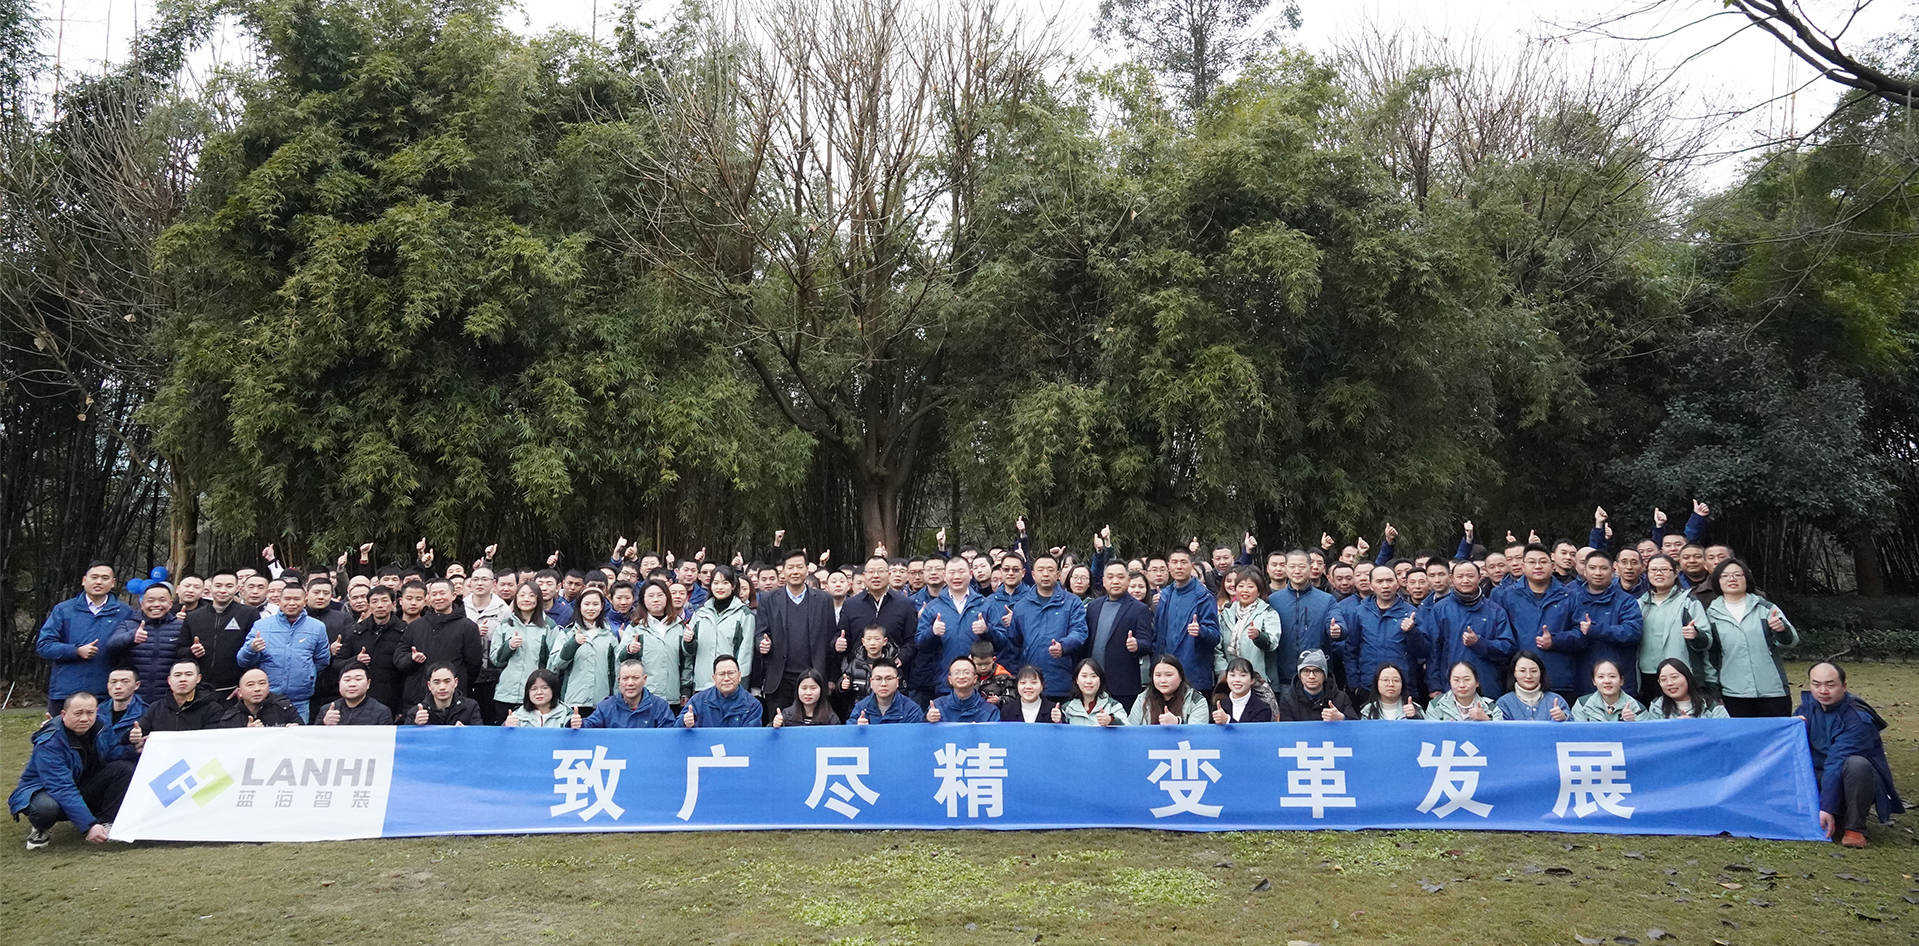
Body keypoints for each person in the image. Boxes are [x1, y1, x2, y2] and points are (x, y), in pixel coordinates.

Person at [1796, 662, 1905, 848]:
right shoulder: (1806, 709)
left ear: (1844, 686)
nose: (1823, 691)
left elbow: (1836, 762)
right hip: (1818, 775)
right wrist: (1794, 729)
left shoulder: (1858, 718)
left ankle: (1855, 829)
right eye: (1816, 684)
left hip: (1850, 779)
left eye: (1830, 685)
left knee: (1857, 765)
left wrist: (1827, 807)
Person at [9, 693, 133, 849]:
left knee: (123, 769)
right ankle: (40, 827)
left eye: (90, 713)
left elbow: (113, 752)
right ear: (63, 714)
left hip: (82, 783)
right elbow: (62, 788)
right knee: (46, 808)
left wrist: (137, 749)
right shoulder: (50, 741)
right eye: (78, 713)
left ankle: (106, 823)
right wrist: (88, 826)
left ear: (96, 712)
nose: (85, 718)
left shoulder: (101, 725)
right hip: (44, 790)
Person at [1700, 558, 1798, 717]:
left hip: (1772, 690)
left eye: (1737, 575)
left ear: (1747, 578)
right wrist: (1714, 689)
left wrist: (1781, 630)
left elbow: (1791, 641)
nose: (1732, 579)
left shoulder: (1765, 608)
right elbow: (1710, 656)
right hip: (1733, 692)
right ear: (1717, 581)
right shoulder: (1710, 615)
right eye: (1725, 576)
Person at [35, 562, 134, 716]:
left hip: (107, 691)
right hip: (66, 690)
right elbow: (44, 645)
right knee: (61, 731)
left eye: (105, 578)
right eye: (94, 577)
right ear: (84, 580)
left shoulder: (124, 612)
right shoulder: (64, 610)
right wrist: (76, 650)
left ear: (113, 583)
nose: (99, 582)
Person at [755, 550, 839, 720]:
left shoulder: (823, 599)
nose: (795, 572)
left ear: (807, 569)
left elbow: (831, 638)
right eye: (790, 567)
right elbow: (760, 633)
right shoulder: (768, 599)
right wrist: (762, 643)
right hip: (780, 679)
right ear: (783, 571)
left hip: (813, 678)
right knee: (779, 726)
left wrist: (832, 677)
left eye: (799, 567)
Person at [1494, 544, 1579, 703]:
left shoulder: (1569, 596)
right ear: (1523, 566)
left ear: (1552, 566)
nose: (1538, 566)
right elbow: (1500, 637)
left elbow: (1582, 634)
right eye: (1532, 562)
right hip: (1519, 679)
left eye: (1543, 562)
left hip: (1558, 678)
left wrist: (1555, 640)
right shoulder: (1506, 596)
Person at [236, 582, 332, 722]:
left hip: (300, 699)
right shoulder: (262, 625)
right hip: (267, 699)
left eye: (296, 599)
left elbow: (322, 660)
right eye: (287, 599)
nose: (291, 603)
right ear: (279, 601)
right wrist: (251, 649)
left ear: (305, 601)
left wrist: (306, 673)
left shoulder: (317, 627)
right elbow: (242, 661)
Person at [913, 556, 1003, 704]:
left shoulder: (985, 604)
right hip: (944, 682)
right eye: (952, 572)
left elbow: (1003, 641)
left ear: (971, 574)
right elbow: (919, 643)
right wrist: (932, 632)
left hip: (981, 684)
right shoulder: (933, 607)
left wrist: (987, 630)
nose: (956, 576)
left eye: (961, 572)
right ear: (945, 576)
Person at [1422, 561, 1516, 701]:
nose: (1465, 580)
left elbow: (1508, 647)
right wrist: (1434, 685)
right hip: (1451, 684)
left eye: (1470, 576)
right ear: (1452, 579)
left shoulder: (1495, 611)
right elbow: (1433, 651)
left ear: (1480, 577)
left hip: (1487, 683)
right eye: (1460, 576)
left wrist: (1480, 643)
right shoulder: (1440, 609)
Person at [1005, 554, 1088, 701]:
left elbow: (1079, 631)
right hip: (1030, 684)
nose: (1045, 574)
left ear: (1058, 574)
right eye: (1041, 570)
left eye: (1050, 570)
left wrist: (1063, 646)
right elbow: (1013, 644)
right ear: (1033, 574)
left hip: (1062, 682)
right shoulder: (1021, 606)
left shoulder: (1072, 602)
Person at [394, 578, 483, 709]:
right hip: (418, 697)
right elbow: (399, 658)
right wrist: (411, 659)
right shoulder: (415, 626)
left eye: (442, 593)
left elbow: (474, 665)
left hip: (453, 699)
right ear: (428, 598)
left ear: (453, 596)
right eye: (434, 594)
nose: (438, 598)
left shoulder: (468, 627)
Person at [1343, 564, 1423, 707]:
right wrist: (1354, 684)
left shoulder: (1411, 612)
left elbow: (1422, 652)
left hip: (1402, 685)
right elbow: (1351, 650)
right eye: (1379, 581)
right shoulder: (1359, 612)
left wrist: (1412, 632)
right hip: (1368, 685)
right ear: (1371, 585)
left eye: (1389, 580)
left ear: (1397, 584)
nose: (1385, 586)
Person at [1568, 551, 1644, 698]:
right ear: (1584, 571)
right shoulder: (1572, 598)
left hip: (1619, 677)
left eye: (1603, 568)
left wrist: (1595, 630)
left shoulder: (1626, 601)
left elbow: (1633, 632)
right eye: (1592, 568)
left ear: (1613, 571)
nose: (1598, 573)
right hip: (1582, 676)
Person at [1635, 553, 1709, 696]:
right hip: (1647, 673)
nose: (1658, 573)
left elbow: (1707, 640)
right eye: (1653, 570)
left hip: (1680, 673)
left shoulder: (1688, 602)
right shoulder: (1640, 604)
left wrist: (1696, 635)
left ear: (1675, 573)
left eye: (1664, 569)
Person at [1151, 549, 1221, 694]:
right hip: (1166, 673)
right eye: (1174, 562)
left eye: (1183, 562)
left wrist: (1200, 630)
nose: (1179, 566)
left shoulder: (1204, 596)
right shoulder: (1165, 595)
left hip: (1194, 674)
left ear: (1191, 565)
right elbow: (1157, 635)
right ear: (1169, 566)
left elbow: (1215, 636)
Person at [178, 571, 258, 697]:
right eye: (218, 586)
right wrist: (191, 651)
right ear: (210, 588)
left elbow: (253, 653)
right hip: (199, 688)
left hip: (234, 688)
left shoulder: (249, 614)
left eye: (229, 586)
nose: (223, 590)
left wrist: (244, 685)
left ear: (237, 588)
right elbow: (180, 650)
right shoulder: (194, 616)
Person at [1084, 562, 1151, 710]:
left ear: (1128, 580)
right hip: (1093, 682)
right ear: (1103, 581)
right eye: (1110, 577)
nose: (1115, 581)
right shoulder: (1094, 607)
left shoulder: (1139, 609)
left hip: (1123, 684)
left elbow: (1147, 643)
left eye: (1120, 577)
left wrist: (1137, 645)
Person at [109, 582, 187, 706]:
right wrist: (132, 637)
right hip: (134, 698)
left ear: (170, 604)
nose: (156, 604)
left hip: (168, 697)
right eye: (150, 600)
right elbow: (111, 645)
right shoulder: (129, 624)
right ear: (142, 603)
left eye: (162, 600)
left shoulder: (181, 626)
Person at [492, 581, 559, 723]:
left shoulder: (549, 626)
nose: (526, 599)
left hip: (536, 695)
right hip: (506, 693)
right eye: (522, 595)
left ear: (538, 599)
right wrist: (509, 646)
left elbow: (554, 662)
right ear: (516, 598)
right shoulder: (505, 624)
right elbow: (495, 660)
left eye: (531, 595)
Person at [338, 586, 408, 711]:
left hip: (394, 698)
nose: (380, 605)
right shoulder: (355, 631)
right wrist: (356, 660)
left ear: (393, 604)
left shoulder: (405, 631)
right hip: (359, 699)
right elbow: (337, 663)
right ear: (369, 605)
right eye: (375, 601)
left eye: (384, 600)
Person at [688, 566, 757, 694]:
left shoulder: (744, 614)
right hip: (702, 684)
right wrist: (688, 641)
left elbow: (746, 653)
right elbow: (689, 651)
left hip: (730, 685)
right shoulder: (700, 613)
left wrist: (740, 684)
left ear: (733, 586)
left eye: (725, 583)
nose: (720, 587)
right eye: (716, 583)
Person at [624, 578, 692, 708]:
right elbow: (620, 660)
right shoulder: (635, 627)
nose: (656, 599)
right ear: (643, 600)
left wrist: (685, 690)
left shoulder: (679, 626)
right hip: (643, 697)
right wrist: (629, 649)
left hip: (672, 696)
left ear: (667, 598)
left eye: (660, 595)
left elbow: (686, 662)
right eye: (651, 596)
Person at [550, 588, 621, 710]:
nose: (591, 608)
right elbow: (555, 665)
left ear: (602, 606)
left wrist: (616, 698)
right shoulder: (568, 633)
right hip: (573, 701)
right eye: (586, 604)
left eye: (595, 604)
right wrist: (573, 644)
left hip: (602, 702)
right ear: (579, 606)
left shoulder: (610, 636)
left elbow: (616, 670)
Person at [1216, 568, 1280, 693]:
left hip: (1258, 680)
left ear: (1259, 591)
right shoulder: (1226, 614)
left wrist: (1258, 636)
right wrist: (1224, 672)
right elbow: (1217, 648)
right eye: (1241, 586)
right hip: (1230, 681)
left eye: (1250, 587)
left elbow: (1273, 643)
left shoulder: (1267, 613)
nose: (1245, 590)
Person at [573, 660, 677, 729]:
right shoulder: (606, 707)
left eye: (635, 678)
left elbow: (669, 736)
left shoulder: (660, 706)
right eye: (625, 678)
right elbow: (589, 726)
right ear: (619, 681)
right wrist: (578, 723)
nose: (630, 683)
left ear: (644, 679)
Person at [135, 660, 226, 736]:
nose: (183, 679)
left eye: (188, 674)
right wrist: (136, 736)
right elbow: (140, 733)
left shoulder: (213, 709)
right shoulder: (156, 707)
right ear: (169, 680)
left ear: (198, 678)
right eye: (177, 675)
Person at [1273, 650, 1357, 722]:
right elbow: (1286, 731)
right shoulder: (1288, 700)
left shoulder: (1341, 698)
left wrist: (1341, 718)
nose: (1311, 676)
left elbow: (1356, 727)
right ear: (1299, 675)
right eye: (1306, 671)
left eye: (1317, 671)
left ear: (1324, 675)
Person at [681, 655, 763, 727]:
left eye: (731, 673)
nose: (726, 678)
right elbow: (677, 729)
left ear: (739, 676)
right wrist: (685, 722)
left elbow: (752, 736)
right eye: (721, 674)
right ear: (714, 678)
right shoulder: (698, 701)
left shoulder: (752, 705)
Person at [1129, 655, 1210, 725]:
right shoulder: (1143, 698)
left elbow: (1197, 733)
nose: (1163, 680)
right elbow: (1131, 730)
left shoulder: (1196, 700)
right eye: (1158, 675)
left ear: (1181, 677)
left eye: (1169, 675)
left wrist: (1178, 723)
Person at [1641, 658, 1728, 720]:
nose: (1669, 683)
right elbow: (1655, 736)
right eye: (1663, 679)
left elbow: (1726, 733)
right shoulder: (1657, 706)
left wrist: (1695, 726)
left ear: (1687, 678)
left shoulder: (1710, 705)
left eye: (1674, 677)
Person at [1495, 652, 1571, 722]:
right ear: (1514, 673)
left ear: (1541, 672)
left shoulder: (1556, 700)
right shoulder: (1504, 703)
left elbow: (1573, 727)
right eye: (1522, 671)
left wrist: (1563, 718)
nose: (1528, 676)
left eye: (1534, 671)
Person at [848, 659, 925, 724]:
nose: (883, 684)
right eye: (878, 679)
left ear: (897, 682)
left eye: (889, 678)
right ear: (871, 682)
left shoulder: (911, 710)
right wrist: (857, 730)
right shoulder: (861, 708)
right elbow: (849, 733)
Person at [220, 668, 304, 727]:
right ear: (239, 692)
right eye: (250, 685)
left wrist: (295, 730)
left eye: (262, 683)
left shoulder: (284, 708)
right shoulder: (231, 718)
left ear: (269, 687)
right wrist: (246, 733)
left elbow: (304, 737)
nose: (257, 689)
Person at [1424, 662, 1504, 721]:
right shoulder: (1436, 705)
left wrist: (1486, 719)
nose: (1462, 685)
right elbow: (1430, 734)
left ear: (1477, 682)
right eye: (1456, 680)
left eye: (1467, 679)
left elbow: (1500, 735)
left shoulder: (1491, 707)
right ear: (1450, 682)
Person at [406, 664, 483, 726]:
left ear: (455, 682)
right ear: (429, 685)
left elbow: (479, 736)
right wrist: (415, 725)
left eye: (447, 681)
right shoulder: (417, 712)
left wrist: (465, 732)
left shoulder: (470, 707)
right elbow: (407, 738)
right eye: (436, 682)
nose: (442, 687)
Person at [1056, 659, 1126, 726]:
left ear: (1100, 680)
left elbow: (1127, 729)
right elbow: (1061, 732)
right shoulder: (1067, 708)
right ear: (1077, 680)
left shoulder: (1113, 706)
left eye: (1093, 676)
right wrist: (1059, 721)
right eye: (1084, 676)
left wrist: (1111, 720)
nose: (1089, 681)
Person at [927, 656, 997, 723]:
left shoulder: (991, 711)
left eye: (966, 672)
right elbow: (924, 729)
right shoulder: (937, 707)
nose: (961, 676)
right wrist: (928, 719)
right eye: (957, 673)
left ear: (975, 679)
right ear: (950, 680)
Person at [318, 665, 395, 725]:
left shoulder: (381, 712)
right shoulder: (327, 710)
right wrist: (324, 724)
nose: (352, 684)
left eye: (358, 679)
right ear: (339, 683)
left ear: (368, 683)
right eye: (347, 680)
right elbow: (314, 738)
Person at [1570, 660, 1643, 722]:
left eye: (1612, 676)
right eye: (1601, 677)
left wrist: (1632, 723)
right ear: (1594, 681)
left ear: (1621, 681)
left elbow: (1644, 732)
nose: (1607, 681)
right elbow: (1577, 733)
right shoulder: (1582, 704)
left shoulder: (1637, 707)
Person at [1210, 656, 1274, 723]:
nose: (1237, 680)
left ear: (1252, 680)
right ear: (1226, 678)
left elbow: (1253, 730)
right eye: (1232, 675)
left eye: (1243, 675)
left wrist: (1228, 720)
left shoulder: (1262, 708)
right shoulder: (1220, 705)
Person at [96, 668, 146, 755]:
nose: (118, 686)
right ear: (107, 685)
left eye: (125, 681)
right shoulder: (96, 712)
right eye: (113, 682)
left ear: (137, 685)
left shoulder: (146, 713)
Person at [500, 669, 570, 727]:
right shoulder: (517, 715)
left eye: (544, 688)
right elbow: (503, 737)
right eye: (534, 689)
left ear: (554, 690)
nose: (539, 692)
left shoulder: (566, 715)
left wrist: (573, 726)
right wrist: (506, 727)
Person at [771, 670, 841, 727]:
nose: (808, 693)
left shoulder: (830, 718)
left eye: (813, 688)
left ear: (821, 690)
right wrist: (775, 725)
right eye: (804, 688)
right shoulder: (787, 715)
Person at [1356, 662, 1421, 720]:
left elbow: (1424, 728)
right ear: (1377, 683)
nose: (1391, 684)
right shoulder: (1367, 711)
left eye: (1396, 680)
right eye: (1385, 680)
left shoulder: (1415, 708)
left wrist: (1415, 717)